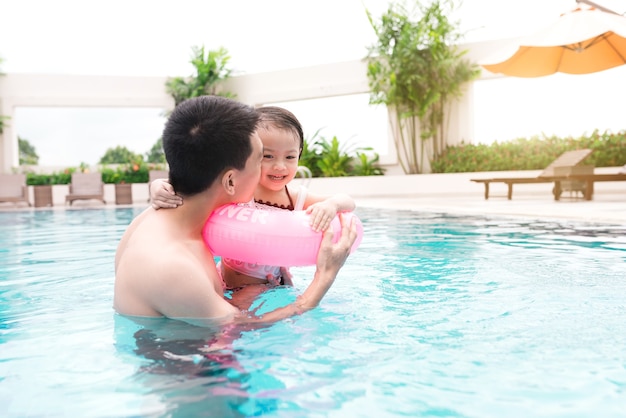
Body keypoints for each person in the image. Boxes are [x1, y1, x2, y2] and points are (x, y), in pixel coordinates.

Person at [114, 96, 358, 327]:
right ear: (231, 180)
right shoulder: (172, 268)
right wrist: (323, 278)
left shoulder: (149, 221)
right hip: (192, 366)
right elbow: (240, 327)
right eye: (261, 159)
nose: (275, 169)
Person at [150, 106, 356, 295]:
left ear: (299, 155)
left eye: (290, 157)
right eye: (268, 156)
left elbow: (348, 201)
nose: (280, 166)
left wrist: (332, 205)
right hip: (226, 284)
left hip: (272, 287)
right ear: (251, 155)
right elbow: (191, 189)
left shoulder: (295, 198)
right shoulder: (238, 190)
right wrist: (157, 187)